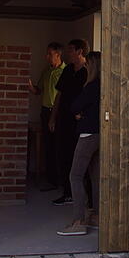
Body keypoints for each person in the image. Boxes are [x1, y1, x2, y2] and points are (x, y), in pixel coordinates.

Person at [58, 51, 101, 236]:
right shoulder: (104, 85)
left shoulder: (91, 86)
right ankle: (98, 216)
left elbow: (75, 106)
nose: (85, 67)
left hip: (87, 135)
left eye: (87, 65)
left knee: (75, 176)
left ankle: (79, 221)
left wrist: (79, 113)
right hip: (100, 134)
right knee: (95, 175)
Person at [49, 38, 88, 206]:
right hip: (64, 118)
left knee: (78, 156)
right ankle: (67, 192)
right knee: (63, 154)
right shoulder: (68, 70)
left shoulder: (88, 71)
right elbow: (59, 94)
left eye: (71, 50)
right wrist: (53, 117)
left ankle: (82, 195)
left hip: (80, 121)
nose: (68, 53)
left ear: (80, 51)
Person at [27, 42, 65, 189]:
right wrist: (30, 87)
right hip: (45, 111)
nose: (46, 56)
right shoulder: (46, 71)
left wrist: (53, 118)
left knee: (58, 147)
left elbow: (61, 97)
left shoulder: (65, 71)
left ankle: (58, 181)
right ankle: (51, 180)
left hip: (57, 113)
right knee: (48, 147)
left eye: (50, 54)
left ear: (58, 54)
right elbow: (38, 91)